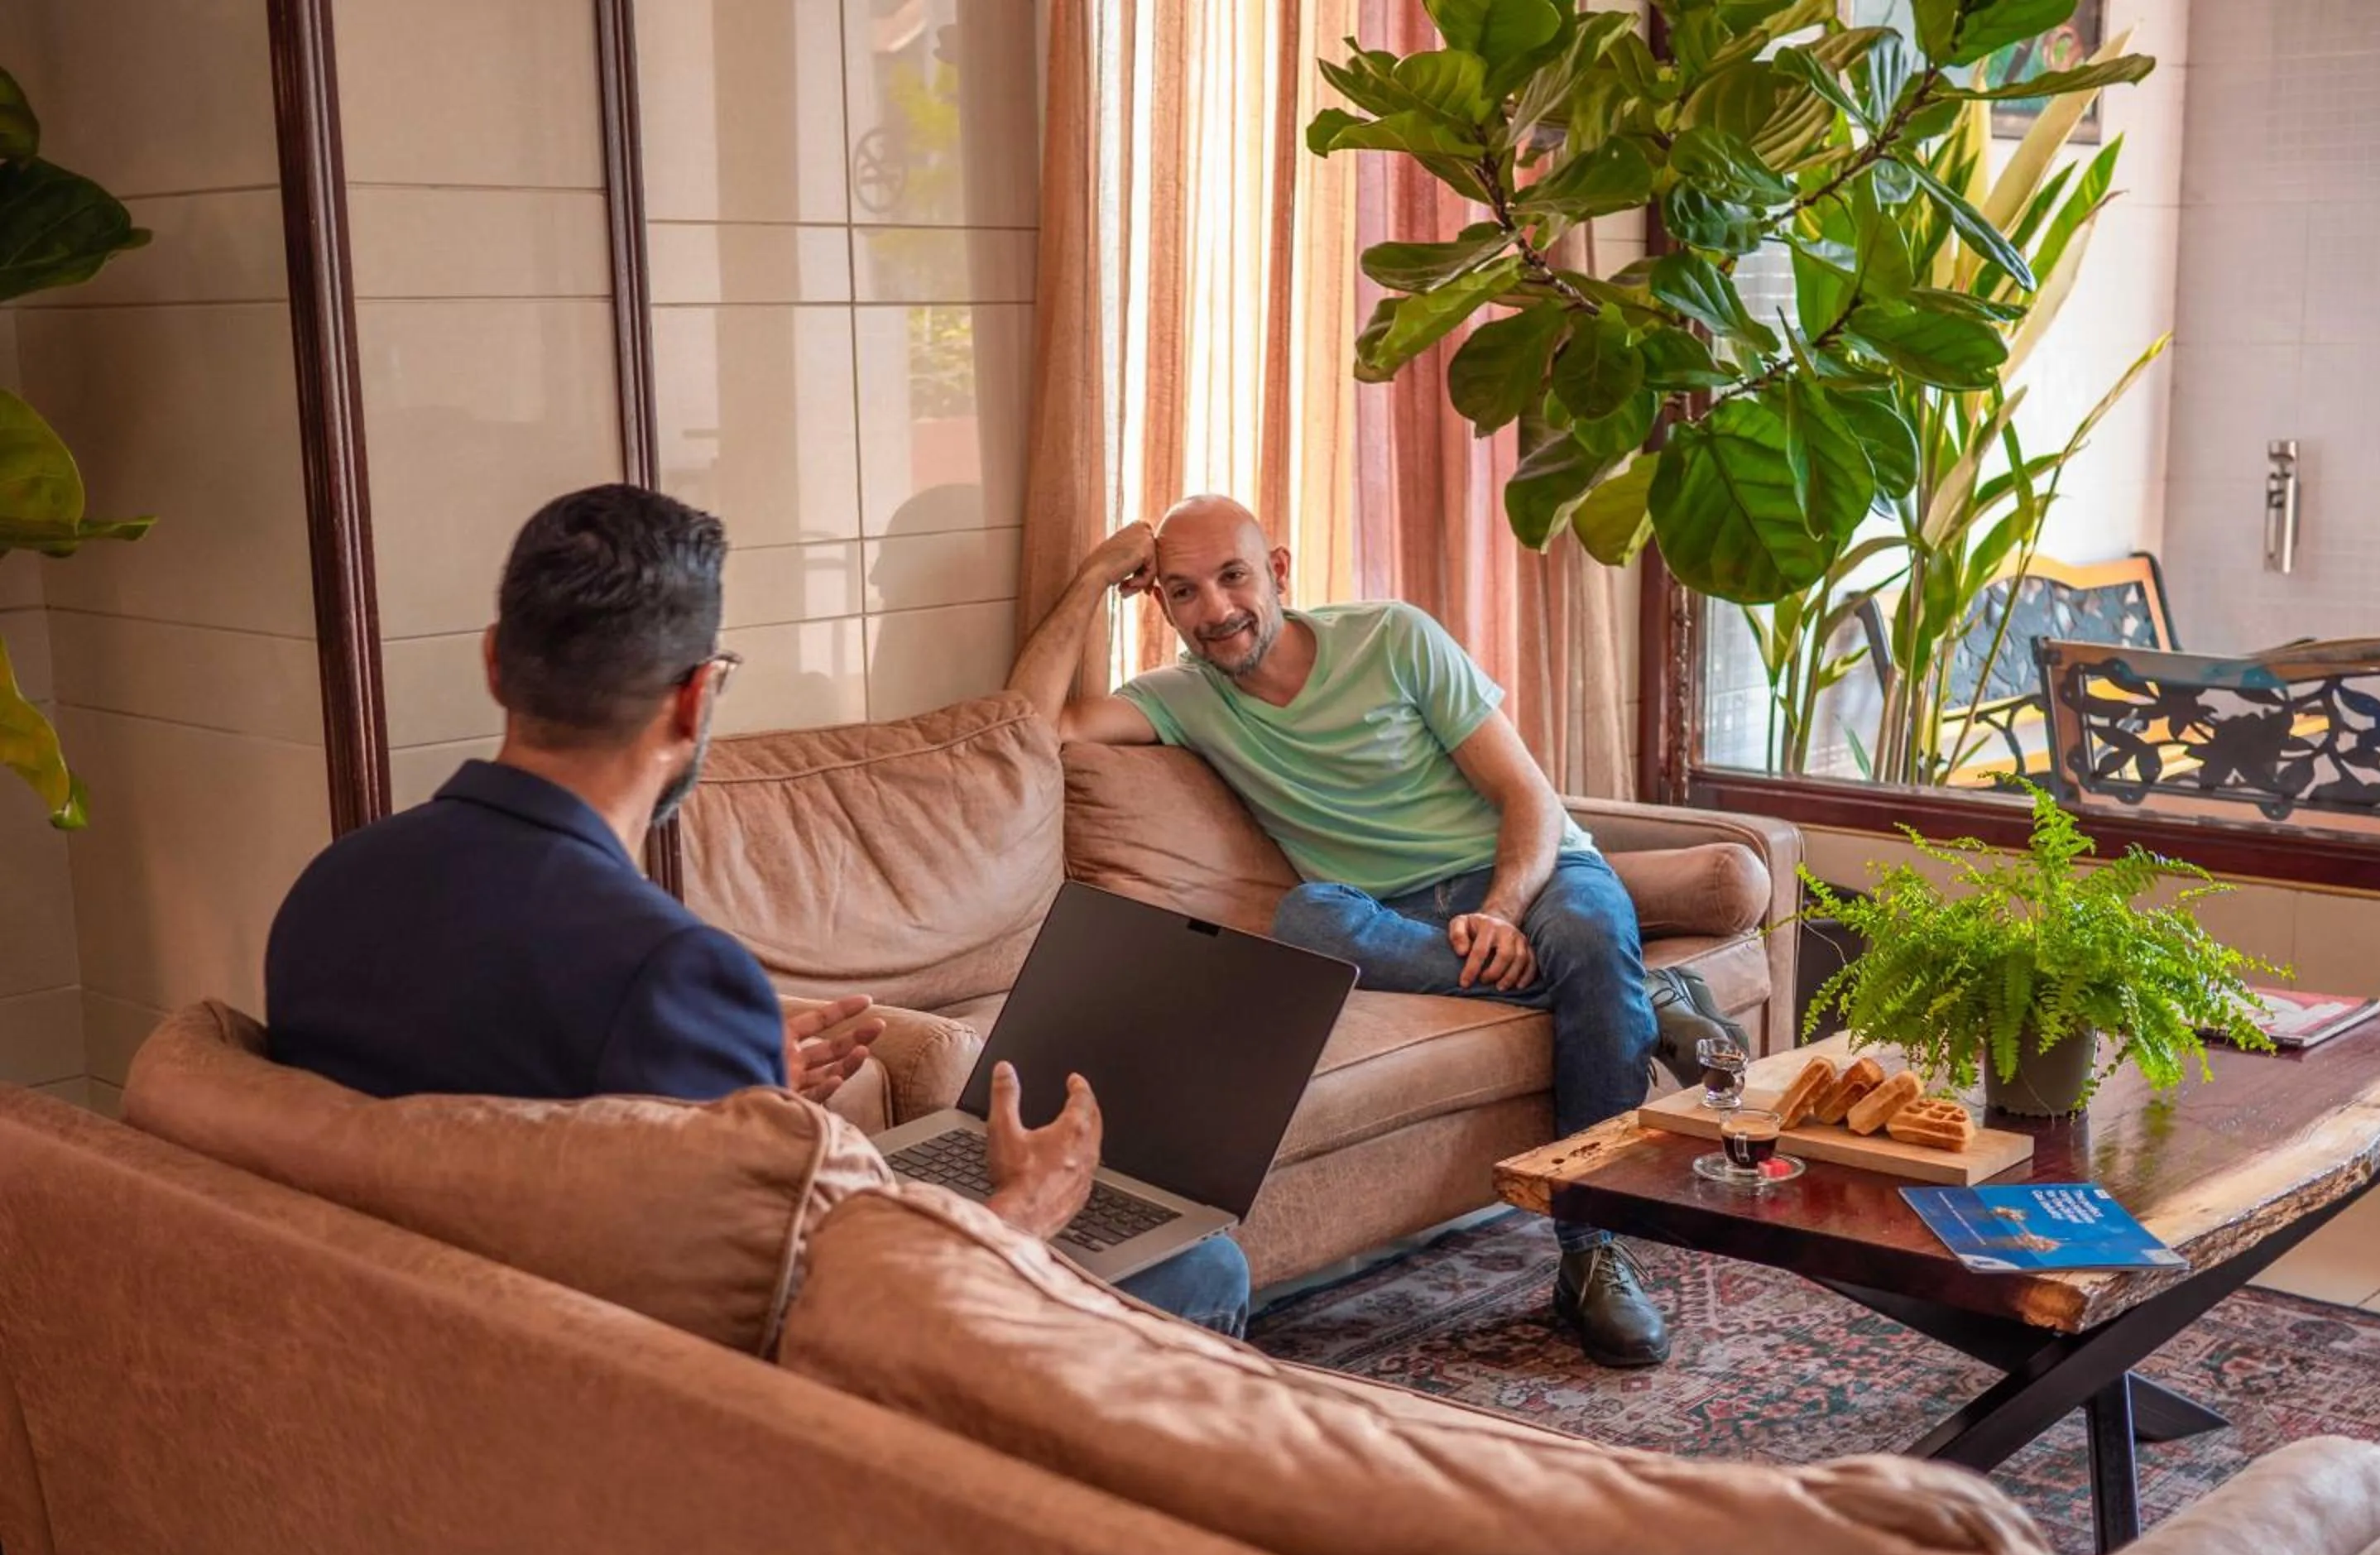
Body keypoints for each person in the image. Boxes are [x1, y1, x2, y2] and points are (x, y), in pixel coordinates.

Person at [266, 483, 1250, 1336]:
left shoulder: (328, 892)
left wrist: (741, 1084)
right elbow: (805, 1309)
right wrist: (1025, 1205)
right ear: (698, 698)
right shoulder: (670, 973)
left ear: (493, 662)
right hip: (666, 1406)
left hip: (428, 1342)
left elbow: (556, 1122)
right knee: (1201, 1271)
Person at [1007, 495, 1743, 1367]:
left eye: (1233, 577)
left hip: (1531, 877)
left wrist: (1503, 911)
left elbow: (1528, 799)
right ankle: (1640, 996)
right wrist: (1093, 575)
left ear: (1279, 571)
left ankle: (1591, 1255)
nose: (1215, 611)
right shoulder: (1182, 700)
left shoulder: (1393, 638)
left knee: (1585, 932)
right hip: (1382, 913)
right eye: (1183, 592)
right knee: (1305, 922)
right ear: (1160, 604)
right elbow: (1029, 722)